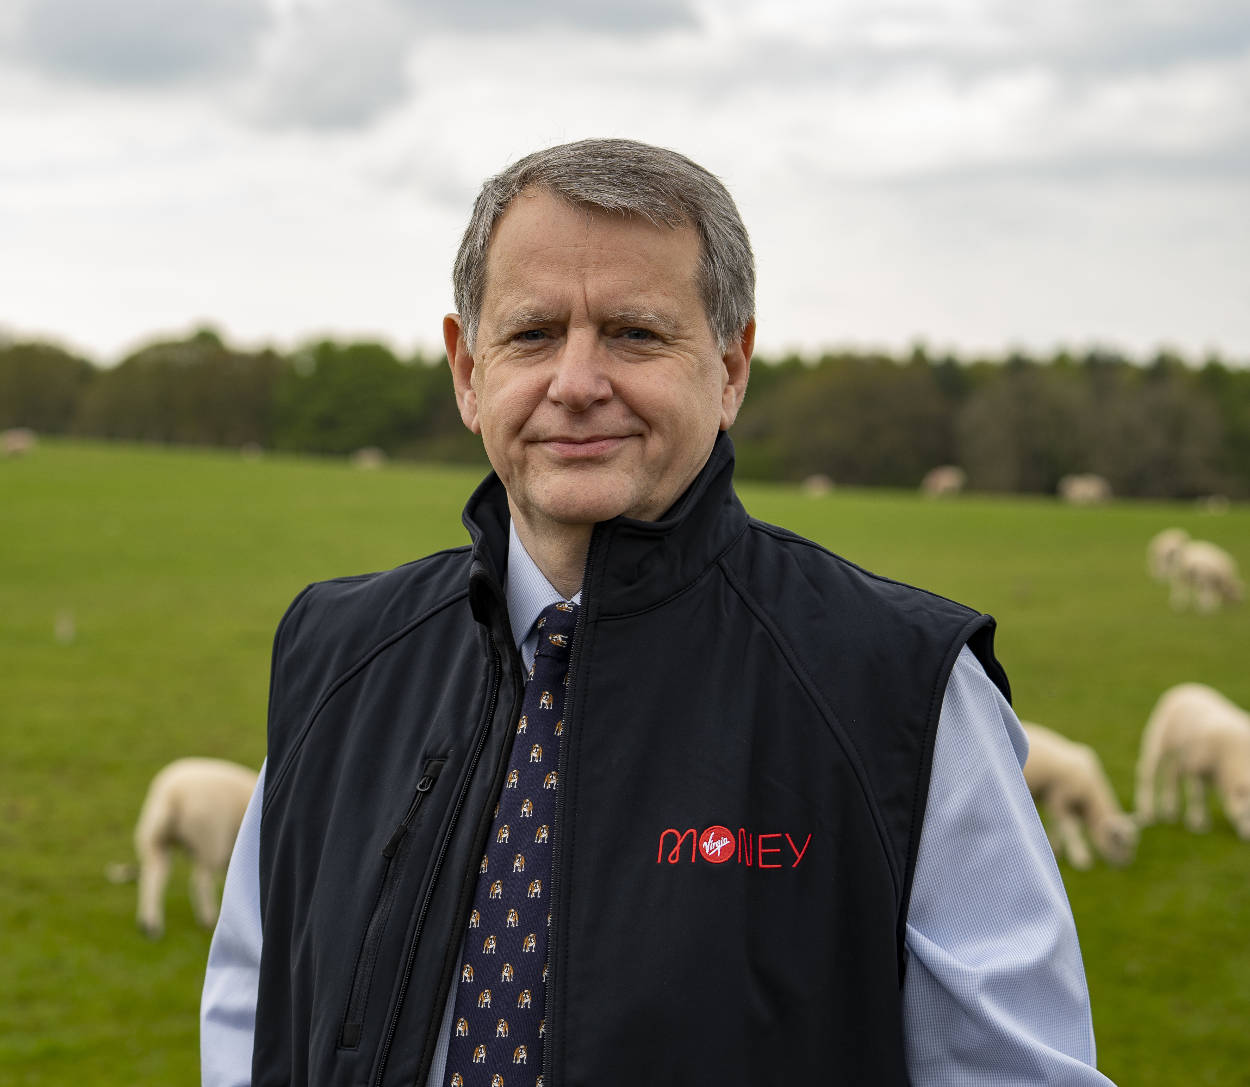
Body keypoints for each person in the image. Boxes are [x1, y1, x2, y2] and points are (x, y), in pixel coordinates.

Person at [202, 138, 1114, 1086]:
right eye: (532, 334)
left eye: (634, 333)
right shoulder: (336, 658)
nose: (576, 383)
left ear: (731, 367)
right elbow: (252, 1013)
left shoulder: (904, 692)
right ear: (468, 370)